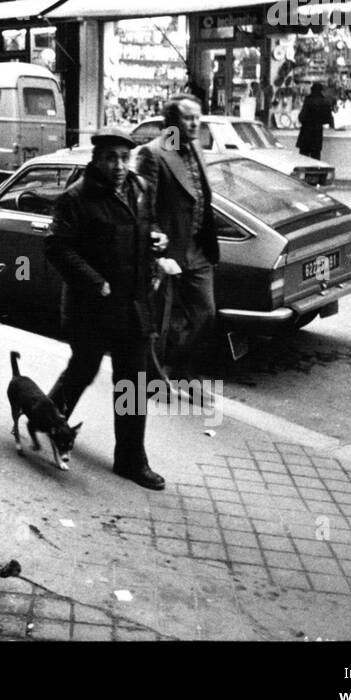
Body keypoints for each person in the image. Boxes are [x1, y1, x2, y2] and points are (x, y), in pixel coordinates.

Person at [45, 127, 170, 491]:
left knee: (132, 382)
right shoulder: (76, 198)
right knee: (83, 369)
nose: (119, 166)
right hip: (93, 306)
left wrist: (157, 242)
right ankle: (48, 419)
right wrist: (94, 280)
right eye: (111, 158)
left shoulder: (140, 189)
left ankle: (131, 460)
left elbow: (146, 229)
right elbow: (56, 247)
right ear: (96, 160)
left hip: (133, 305)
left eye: (124, 158)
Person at [134, 95, 220, 380]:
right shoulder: (153, 154)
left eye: (198, 117)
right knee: (162, 321)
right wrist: (157, 243)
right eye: (188, 118)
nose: (195, 123)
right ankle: (155, 380)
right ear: (171, 122)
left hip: (199, 247)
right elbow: (145, 209)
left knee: (205, 313)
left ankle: (182, 370)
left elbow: (202, 197)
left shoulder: (196, 146)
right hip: (169, 252)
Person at [295, 82, 335, 159]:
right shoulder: (325, 101)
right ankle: (314, 171)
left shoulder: (308, 99)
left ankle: (305, 171)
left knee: (303, 158)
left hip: (305, 132)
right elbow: (328, 119)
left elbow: (301, 116)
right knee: (315, 158)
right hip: (317, 133)